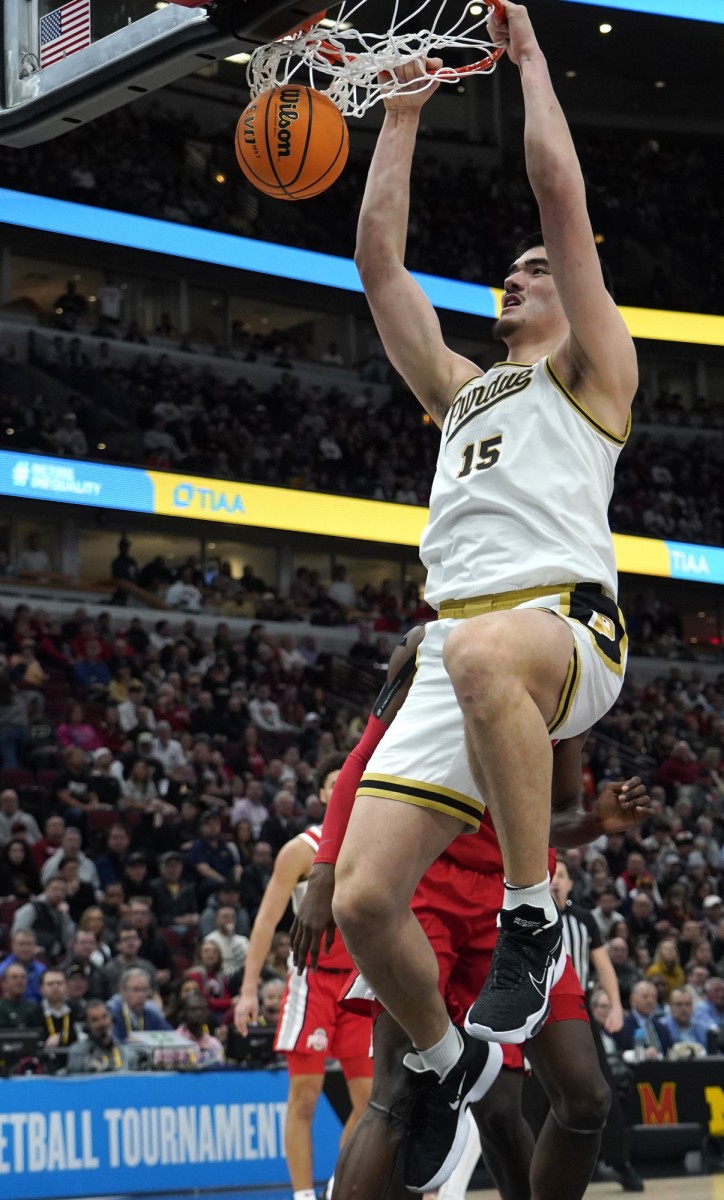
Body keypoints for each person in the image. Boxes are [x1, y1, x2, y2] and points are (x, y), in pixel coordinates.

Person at [331, 3, 637, 1182]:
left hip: (563, 628)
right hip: (462, 651)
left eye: (534, 269)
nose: (516, 275)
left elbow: (559, 193)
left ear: (573, 292)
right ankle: (450, 1061)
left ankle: (529, 911)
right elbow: (376, 261)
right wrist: (400, 112)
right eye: (505, 272)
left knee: (479, 653)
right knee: (362, 898)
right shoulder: (459, 389)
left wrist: (530, 63)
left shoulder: (593, 369)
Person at [292, 633, 651, 1198]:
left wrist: (594, 824)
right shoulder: (422, 646)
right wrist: (324, 869)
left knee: (573, 1100)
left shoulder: (568, 661)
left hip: (515, 894)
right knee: (395, 1095)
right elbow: (362, 757)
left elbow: (554, 817)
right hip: (427, 884)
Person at [234, 754, 373, 1200]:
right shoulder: (300, 849)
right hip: (312, 979)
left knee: (369, 1104)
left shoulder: (377, 841)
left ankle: (339, 1187)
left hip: (362, 980)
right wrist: (249, 989)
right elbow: (265, 921)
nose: (343, 787)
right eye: (334, 782)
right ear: (322, 794)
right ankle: (301, 1195)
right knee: (306, 1095)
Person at [67, 999, 138, 1073]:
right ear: (87, 1026)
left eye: (105, 1017)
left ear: (112, 1019)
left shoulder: (126, 1052)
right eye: (95, 1020)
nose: (102, 1024)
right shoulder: (78, 1051)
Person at [107, 966, 172, 1041]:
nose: (141, 995)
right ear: (122, 990)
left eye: (145, 990)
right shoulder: (111, 1011)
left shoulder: (151, 1011)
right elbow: (109, 1043)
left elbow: (170, 1036)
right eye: (136, 990)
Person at [614, 981, 673, 1060]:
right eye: (645, 997)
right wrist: (641, 1054)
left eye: (653, 997)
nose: (650, 1000)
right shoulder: (622, 1026)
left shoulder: (662, 1028)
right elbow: (616, 1054)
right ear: (633, 1000)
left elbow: (668, 1053)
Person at [176, 992, 225, 1067]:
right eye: (194, 1009)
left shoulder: (214, 1044)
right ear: (184, 1013)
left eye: (203, 1009)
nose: (199, 1013)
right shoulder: (173, 1042)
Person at [0, 930, 46, 1002]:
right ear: (12, 946)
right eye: (21, 944)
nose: (25, 948)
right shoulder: (2, 970)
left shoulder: (42, 970)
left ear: (35, 946)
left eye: (29, 944)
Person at [0, 963, 42, 1029]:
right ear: (4, 983)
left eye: (23, 977)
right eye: (14, 977)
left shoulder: (34, 1009)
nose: (20, 981)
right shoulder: (1, 1007)